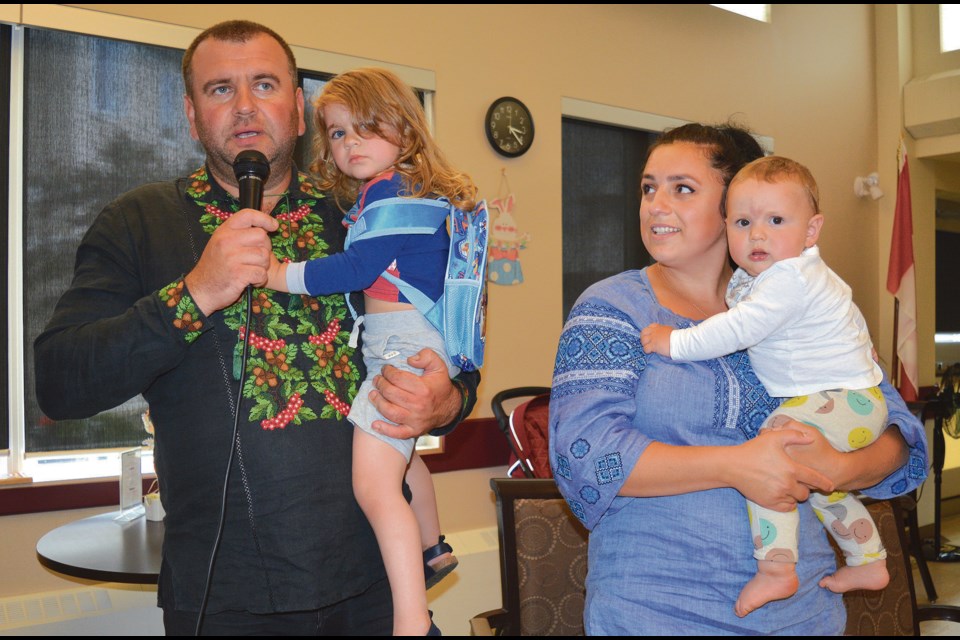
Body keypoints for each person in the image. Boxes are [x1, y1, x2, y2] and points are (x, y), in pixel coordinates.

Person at [33, 20, 479, 636]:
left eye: (265, 84)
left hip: (379, 584)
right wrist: (194, 293)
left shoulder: (359, 209)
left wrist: (448, 399)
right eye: (220, 89)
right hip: (227, 595)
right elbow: (60, 380)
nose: (245, 106)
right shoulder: (138, 222)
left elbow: (452, 336)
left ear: (299, 110)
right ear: (192, 115)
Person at [549, 122, 927, 635]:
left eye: (682, 188)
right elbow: (585, 454)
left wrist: (837, 467)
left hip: (803, 613)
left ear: (736, 206)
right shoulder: (614, 308)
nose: (655, 204)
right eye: (648, 187)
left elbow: (897, 433)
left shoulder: (805, 301)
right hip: (659, 608)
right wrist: (737, 465)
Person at [263, 66, 477, 635]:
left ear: (406, 132)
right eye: (336, 132)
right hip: (407, 343)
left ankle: (409, 620)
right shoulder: (393, 192)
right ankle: (434, 547)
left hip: (403, 346)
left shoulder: (394, 197)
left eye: (366, 128)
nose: (349, 143)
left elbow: (354, 269)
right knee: (406, 460)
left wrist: (277, 273)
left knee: (375, 487)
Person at [640, 155, 891, 617]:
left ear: (812, 231)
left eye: (775, 220)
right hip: (852, 403)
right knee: (821, 482)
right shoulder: (793, 277)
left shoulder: (788, 280)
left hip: (843, 400)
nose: (757, 234)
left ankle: (777, 568)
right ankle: (867, 559)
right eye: (742, 221)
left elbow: (736, 330)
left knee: (773, 449)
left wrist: (672, 342)